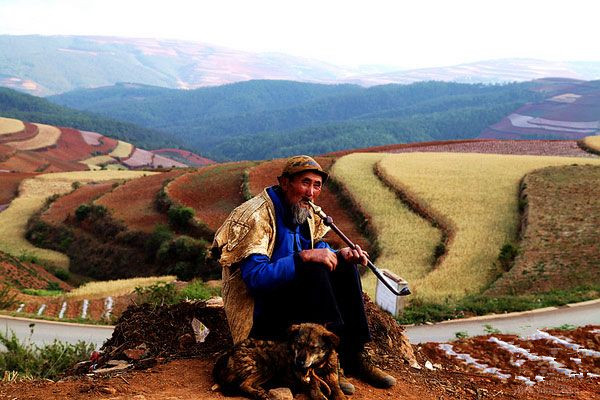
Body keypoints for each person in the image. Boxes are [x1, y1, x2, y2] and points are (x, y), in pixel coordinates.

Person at [212, 155, 396, 391]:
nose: (310, 192)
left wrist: (341, 254)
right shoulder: (257, 216)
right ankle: (329, 365)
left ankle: (355, 355)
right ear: (285, 183)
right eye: (304, 183)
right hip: (260, 315)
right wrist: (302, 258)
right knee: (312, 268)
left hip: (292, 303)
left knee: (344, 265)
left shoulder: (304, 210)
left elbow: (317, 247)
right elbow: (255, 279)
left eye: (316, 185)